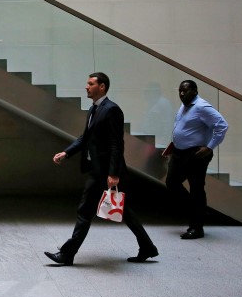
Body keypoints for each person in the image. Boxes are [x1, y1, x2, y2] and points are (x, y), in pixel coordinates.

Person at [45, 72, 159, 265]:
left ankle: (67, 254)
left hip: (107, 173)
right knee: (123, 211)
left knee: (85, 210)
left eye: (90, 83)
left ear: (102, 87)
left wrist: (113, 173)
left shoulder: (112, 110)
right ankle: (148, 247)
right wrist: (67, 153)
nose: (86, 87)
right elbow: (85, 138)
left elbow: (116, 144)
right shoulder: (94, 109)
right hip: (98, 170)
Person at [164, 79, 228, 239]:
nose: (182, 93)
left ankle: (197, 227)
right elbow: (184, 128)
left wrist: (210, 147)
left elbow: (222, 125)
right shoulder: (184, 105)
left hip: (196, 154)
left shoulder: (202, 107)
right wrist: (173, 145)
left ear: (195, 90)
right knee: (172, 182)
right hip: (179, 152)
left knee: (196, 189)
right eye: (180, 91)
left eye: (185, 90)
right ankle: (198, 209)